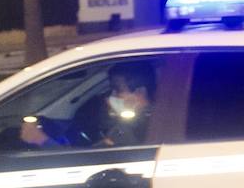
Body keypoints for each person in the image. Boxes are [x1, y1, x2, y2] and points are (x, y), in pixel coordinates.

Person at [20, 60, 155, 148]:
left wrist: (41, 140)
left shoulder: (138, 127)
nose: (112, 96)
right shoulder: (145, 120)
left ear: (140, 92)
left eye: (118, 90)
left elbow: (82, 163)